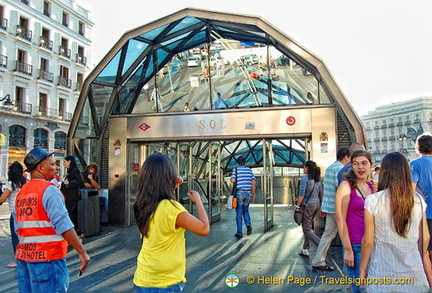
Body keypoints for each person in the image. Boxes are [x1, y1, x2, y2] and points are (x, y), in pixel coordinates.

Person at [15, 147, 90, 292]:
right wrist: (81, 251)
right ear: (41, 168)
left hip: (25, 258)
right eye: (52, 164)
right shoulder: (49, 190)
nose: (56, 167)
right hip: (48, 258)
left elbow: (18, 228)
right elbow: (63, 225)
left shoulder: (22, 193)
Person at [133, 153, 209, 292]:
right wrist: (198, 200)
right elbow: (204, 229)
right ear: (168, 177)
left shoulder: (143, 204)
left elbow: (161, 208)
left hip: (143, 277)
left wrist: (172, 188)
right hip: (165, 282)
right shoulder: (172, 209)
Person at [360, 152, 432, 292]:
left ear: (384, 172)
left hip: (381, 273)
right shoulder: (417, 200)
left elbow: (367, 241)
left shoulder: (373, 201)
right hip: (413, 273)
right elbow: (426, 237)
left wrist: (363, 269)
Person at [335, 149, 375, 293]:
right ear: (351, 166)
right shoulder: (346, 186)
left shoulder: (372, 187)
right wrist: (348, 249)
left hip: (373, 245)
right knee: (360, 288)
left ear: (371, 165)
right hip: (355, 246)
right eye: (356, 164)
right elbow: (340, 218)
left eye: (364, 163)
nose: (360, 167)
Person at [311, 148, 350, 270]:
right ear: (346, 157)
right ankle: (349, 264)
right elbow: (339, 188)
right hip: (338, 208)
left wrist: (323, 206)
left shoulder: (330, 168)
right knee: (348, 235)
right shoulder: (340, 169)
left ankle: (318, 260)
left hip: (329, 207)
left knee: (327, 235)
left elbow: (325, 188)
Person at [0, 161, 28, 268]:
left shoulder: (11, 183)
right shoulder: (26, 182)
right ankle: (26, 256)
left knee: (16, 236)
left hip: (16, 212)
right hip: (27, 212)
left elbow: (3, 198)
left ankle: (18, 259)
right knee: (25, 236)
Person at [410, 133, 432, 265]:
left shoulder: (415, 164)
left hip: (425, 213)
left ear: (418, 147)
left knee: (426, 249)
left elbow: (411, 189)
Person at [296, 160, 323, 257]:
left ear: (307, 168)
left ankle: (321, 245)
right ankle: (305, 249)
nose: (303, 169)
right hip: (316, 204)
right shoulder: (317, 179)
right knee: (307, 226)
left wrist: (297, 206)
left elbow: (301, 194)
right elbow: (321, 193)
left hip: (308, 206)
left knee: (306, 229)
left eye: (304, 167)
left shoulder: (305, 178)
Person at [231, 156, 256, 239]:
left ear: (238, 163)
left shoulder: (236, 170)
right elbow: (253, 182)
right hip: (248, 192)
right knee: (246, 210)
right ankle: (248, 225)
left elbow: (233, 180)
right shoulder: (249, 170)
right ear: (245, 162)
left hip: (240, 192)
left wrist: (233, 178)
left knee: (239, 212)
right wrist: (253, 193)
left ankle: (239, 232)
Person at [61, 155, 85, 240]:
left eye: (65, 161)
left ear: (69, 161)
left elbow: (80, 181)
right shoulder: (70, 171)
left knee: (71, 215)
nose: (64, 163)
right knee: (71, 215)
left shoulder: (74, 171)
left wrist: (69, 183)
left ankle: (77, 233)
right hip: (69, 197)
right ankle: (77, 233)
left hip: (72, 197)